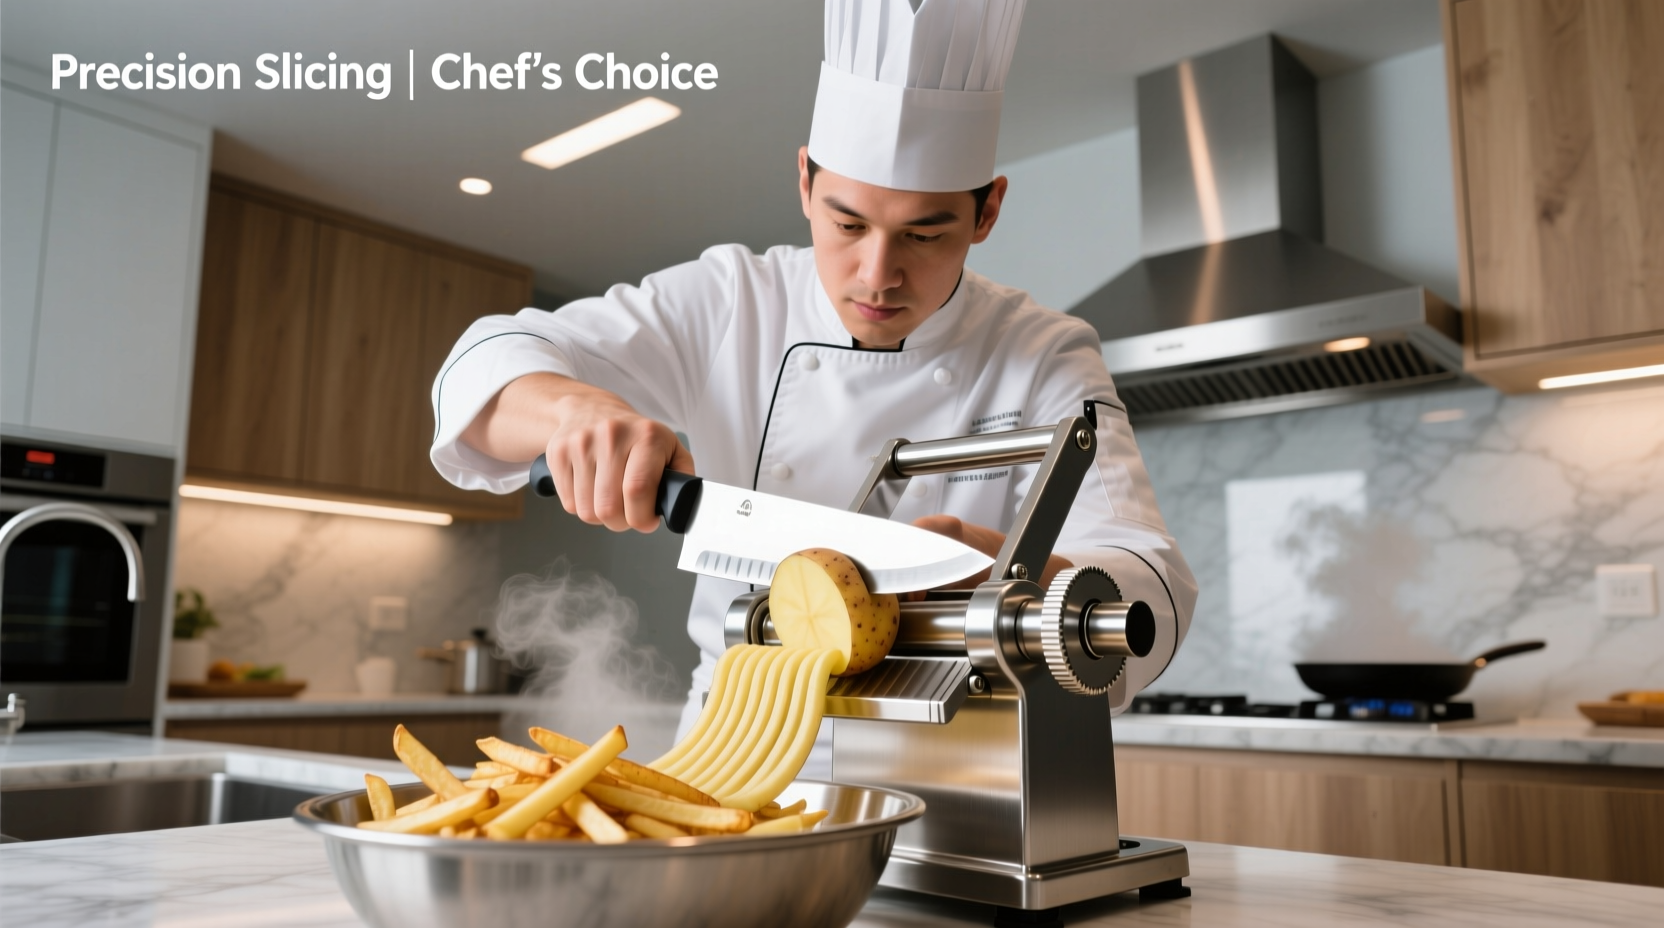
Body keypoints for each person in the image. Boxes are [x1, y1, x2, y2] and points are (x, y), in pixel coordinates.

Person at [430, 0, 1197, 756]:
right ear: (804, 181)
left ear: (987, 210)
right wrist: (575, 412)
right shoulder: (734, 297)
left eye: (925, 234)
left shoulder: (1045, 350)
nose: (877, 276)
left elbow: (1148, 587)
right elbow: (485, 364)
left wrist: (1007, 573)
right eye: (847, 224)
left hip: (951, 766)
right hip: (733, 749)